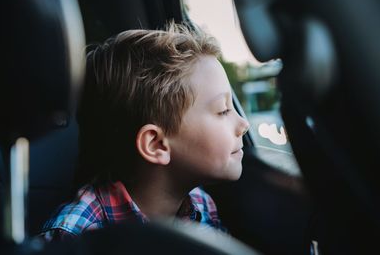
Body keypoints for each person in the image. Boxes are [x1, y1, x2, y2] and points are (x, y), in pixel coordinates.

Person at [39, 22, 250, 241]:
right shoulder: (76, 238)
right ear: (156, 144)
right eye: (223, 110)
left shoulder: (200, 204)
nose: (244, 124)